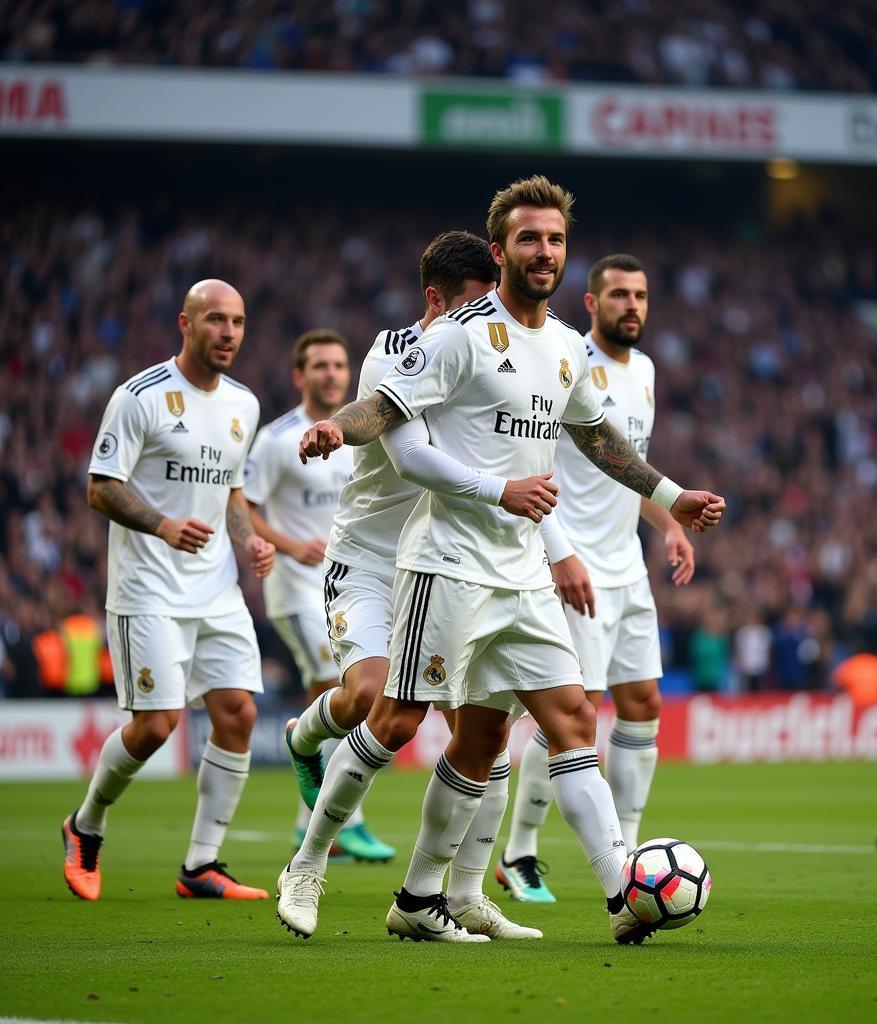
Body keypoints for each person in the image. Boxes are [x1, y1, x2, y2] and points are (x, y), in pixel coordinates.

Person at [284, 176, 725, 945]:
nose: (544, 251)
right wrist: (335, 427)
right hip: (445, 565)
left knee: (556, 723)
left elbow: (596, 437)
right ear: (500, 250)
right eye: (529, 239)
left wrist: (673, 493)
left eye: (555, 239)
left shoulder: (563, 349)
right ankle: (308, 862)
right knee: (396, 719)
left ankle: (580, 894)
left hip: (520, 571)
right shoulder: (456, 336)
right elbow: (385, 412)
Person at [278, 230, 547, 941]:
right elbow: (389, 430)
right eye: (474, 299)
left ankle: (461, 896)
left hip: (452, 563)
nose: (490, 311)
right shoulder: (398, 350)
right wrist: (337, 425)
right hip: (369, 560)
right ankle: (306, 856)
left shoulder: (506, 353)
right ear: (437, 300)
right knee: (377, 704)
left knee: (482, 734)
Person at [61, 279, 275, 901]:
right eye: (215, 320)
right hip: (148, 590)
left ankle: (201, 865)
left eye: (237, 322)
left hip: (216, 589)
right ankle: (85, 824)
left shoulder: (244, 404)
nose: (228, 333)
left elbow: (231, 489)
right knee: (157, 727)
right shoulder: (140, 398)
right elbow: (100, 487)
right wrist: (161, 524)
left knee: (238, 713)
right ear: (185, 323)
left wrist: (249, 538)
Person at [497, 253, 695, 903]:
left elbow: (622, 465)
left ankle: (630, 850)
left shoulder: (646, 371)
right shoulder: (565, 362)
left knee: (643, 706)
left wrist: (667, 522)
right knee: (573, 715)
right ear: (591, 303)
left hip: (628, 568)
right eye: (619, 296)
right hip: (576, 567)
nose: (632, 306)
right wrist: (557, 552)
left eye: (640, 295)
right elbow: (536, 461)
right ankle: (519, 851)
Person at [244, 329, 393, 861]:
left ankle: (311, 825)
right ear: (299, 376)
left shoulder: (365, 429)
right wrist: (286, 544)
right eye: (320, 366)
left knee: (325, 697)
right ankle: (346, 819)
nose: (331, 373)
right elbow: (245, 505)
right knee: (346, 686)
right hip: (296, 587)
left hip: (349, 581)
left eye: (338, 365)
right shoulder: (277, 439)